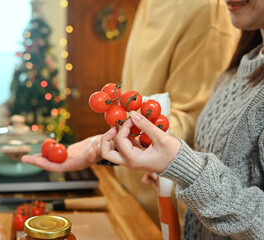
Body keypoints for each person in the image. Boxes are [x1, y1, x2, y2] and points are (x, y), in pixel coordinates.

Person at [23, 0, 239, 229]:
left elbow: (191, 121)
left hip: (166, 201)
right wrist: (100, 147)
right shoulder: (149, 4)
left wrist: (101, 146)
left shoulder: (207, 10)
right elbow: (136, 103)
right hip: (129, 182)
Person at [99, 0, 264, 237]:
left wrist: (186, 170)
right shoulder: (236, 70)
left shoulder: (206, 15)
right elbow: (220, 163)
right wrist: (177, 171)